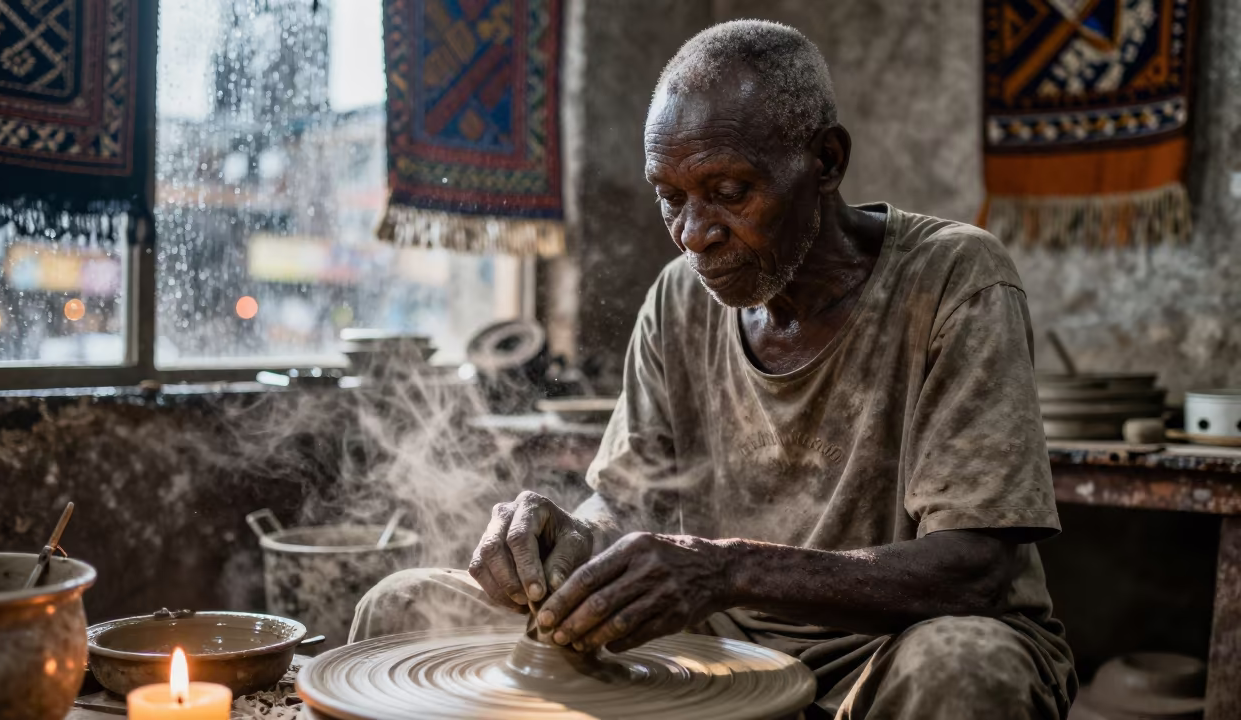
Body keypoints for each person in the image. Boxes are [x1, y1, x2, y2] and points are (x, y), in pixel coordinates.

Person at [352, 20, 1077, 719]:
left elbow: (976, 569)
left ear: (825, 162)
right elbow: (625, 504)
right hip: (724, 650)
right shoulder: (677, 298)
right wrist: (566, 538)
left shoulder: (955, 279)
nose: (695, 235)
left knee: (964, 667)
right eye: (671, 198)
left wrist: (724, 570)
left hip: (886, 653)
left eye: (729, 194)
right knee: (403, 603)